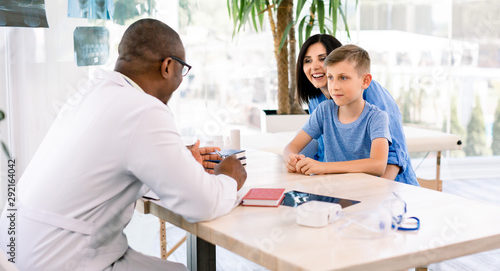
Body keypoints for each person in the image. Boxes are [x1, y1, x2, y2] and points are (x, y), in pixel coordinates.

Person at [0, 19, 247, 270]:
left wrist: (175, 160)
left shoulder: (91, 93)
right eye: (182, 69)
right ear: (168, 66)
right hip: (64, 258)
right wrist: (229, 177)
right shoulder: (144, 109)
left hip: (19, 250)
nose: (181, 79)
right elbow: (201, 204)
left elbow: (105, 165)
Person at [287, 34, 418, 185]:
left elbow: (394, 154)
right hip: (340, 187)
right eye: (307, 60)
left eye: (322, 58)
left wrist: (374, 191)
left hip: (386, 186)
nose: (314, 66)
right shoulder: (318, 101)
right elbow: (320, 148)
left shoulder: (369, 97)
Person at [284, 45, 391, 175]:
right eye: (330, 77)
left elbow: (378, 165)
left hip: (362, 192)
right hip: (329, 191)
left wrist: (324, 167)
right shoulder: (324, 111)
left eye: (343, 78)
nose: (334, 87)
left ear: (365, 80)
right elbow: (292, 146)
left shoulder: (376, 118)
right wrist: (290, 157)